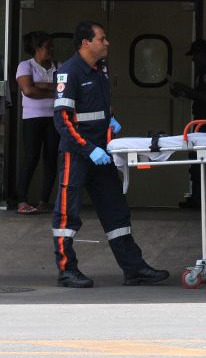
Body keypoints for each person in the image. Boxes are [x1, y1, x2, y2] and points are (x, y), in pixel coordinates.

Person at [52, 21, 169, 288]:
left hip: (102, 154)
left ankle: (134, 268)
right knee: (67, 215)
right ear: (86, 43)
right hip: (78, 155)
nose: (107, 43)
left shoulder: (100, 69)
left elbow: (101, 108)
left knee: (116, 212)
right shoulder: (69, 73)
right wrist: (88, 148)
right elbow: (62, 120)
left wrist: (111, 122)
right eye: (102, 39)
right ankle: (66, 270)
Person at [170, 39, 206, 208]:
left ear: (202, 54)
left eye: (195, 55)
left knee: (203, 158)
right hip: (201, 120)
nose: (193, 59)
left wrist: (185, 90)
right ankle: (196, 197)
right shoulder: (202, 72)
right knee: (195, 158)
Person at [15, 31, 59, 215]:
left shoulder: (59, 66)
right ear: (37, 48)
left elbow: (65, 87)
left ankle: (44, 202)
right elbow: (28, 90)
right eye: (47, 47)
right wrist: (53, 90)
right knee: (31, 158)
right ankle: (22, 201)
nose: (51, 50)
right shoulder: (25, 66)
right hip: (32, 119)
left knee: (51, 159)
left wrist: (39, 84)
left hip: (54, 118)